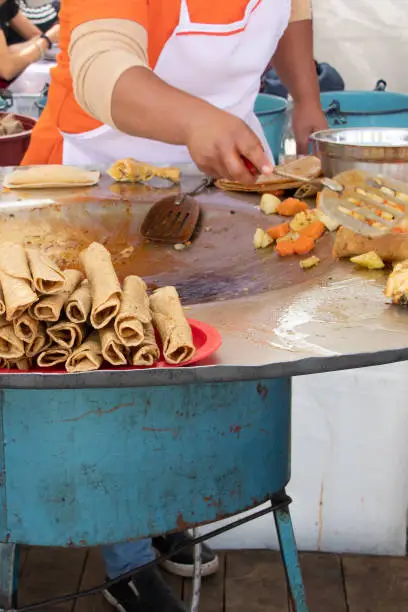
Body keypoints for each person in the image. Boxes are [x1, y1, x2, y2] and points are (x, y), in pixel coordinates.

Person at [22, 1, 328, 610]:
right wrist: (194, 120)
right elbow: (100, 63)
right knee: (115, 362)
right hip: (93, 180)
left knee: (190, 351)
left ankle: (160, 510)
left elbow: (292, 8)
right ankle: (124, 553)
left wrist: (306, 99)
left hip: (210, 179)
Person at [0, 0, 59, 84]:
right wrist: (47, 40)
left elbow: (36, 36)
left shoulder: (6, 4)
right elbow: (7, 70)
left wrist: (10, 53)